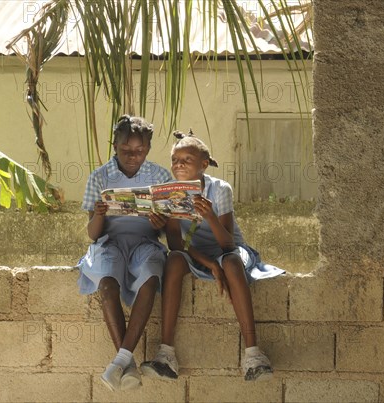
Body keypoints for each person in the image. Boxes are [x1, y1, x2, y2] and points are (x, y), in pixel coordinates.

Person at [141, 131, 285, 382]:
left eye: (187, 158)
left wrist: (208, 215)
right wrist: (208, 264)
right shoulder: (170, 193)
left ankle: (253, 354)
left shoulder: (220, 189)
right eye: (175, 159)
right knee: (173, 260)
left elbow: (228, 243)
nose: (179, 164)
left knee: (230, 262)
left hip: (228, 251)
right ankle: (166, 354)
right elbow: (175, 243)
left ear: (203, 164)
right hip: (194, 254)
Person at [78, 115, 172, 391]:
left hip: (146, 241)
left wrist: (160, 222)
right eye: (125, 151)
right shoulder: (100, 176)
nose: (133, 157)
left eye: (140, 151)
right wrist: (98, 215)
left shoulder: (160, 176)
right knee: (106, 284)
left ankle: (120, 360)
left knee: (151, 277)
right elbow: (93, 234)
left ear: (148, 150)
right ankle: (126, 362)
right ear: (115, 146)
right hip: (110, 242)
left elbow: (167, 229)